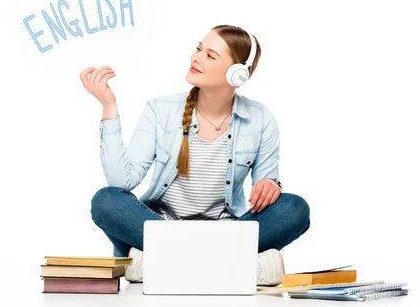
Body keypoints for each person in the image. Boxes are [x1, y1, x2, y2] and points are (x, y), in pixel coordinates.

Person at [79, 24, 310, 285]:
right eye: (199, 49)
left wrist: (270, 185)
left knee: (295, 208)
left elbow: (266, 186)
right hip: (159, 228)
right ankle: (230, 266)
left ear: (237, 74)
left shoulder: (261, 119)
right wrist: (109, 105)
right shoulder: (159, 110)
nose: (196, 58)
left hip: (225, 232)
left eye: (210, 56)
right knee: (106, 200)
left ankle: (159, 264)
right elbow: (121, 183)